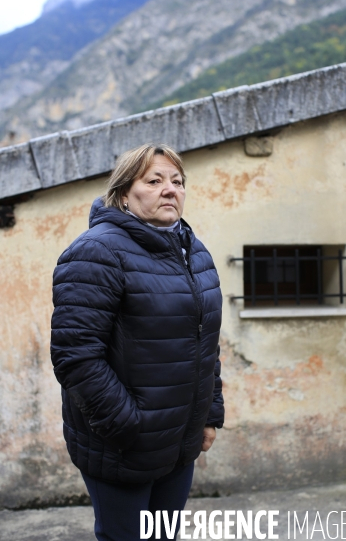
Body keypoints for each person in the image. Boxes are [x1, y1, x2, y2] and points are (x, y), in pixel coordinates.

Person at [50, 144, 224, 541]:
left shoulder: (194, 253)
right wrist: (129, 425)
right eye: (155, 180)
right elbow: (75, 354)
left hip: (180, 443)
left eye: (177, 182)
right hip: (123, 445)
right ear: (125, 193)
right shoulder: (97, 251)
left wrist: (209, 413)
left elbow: (205, 341)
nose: (170, 190)